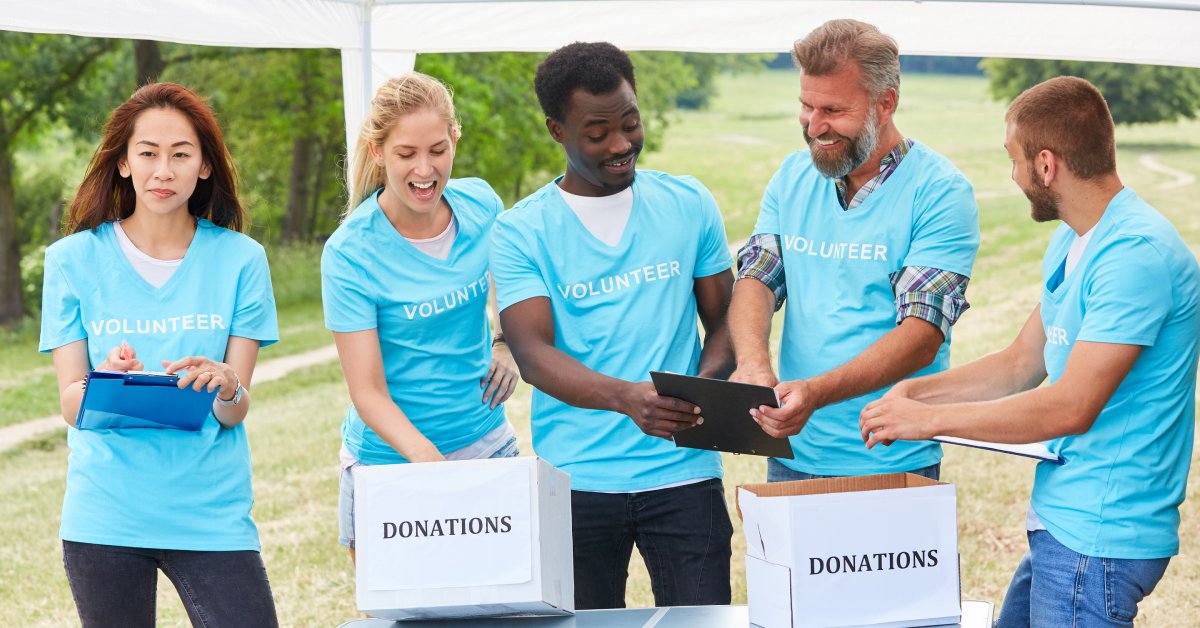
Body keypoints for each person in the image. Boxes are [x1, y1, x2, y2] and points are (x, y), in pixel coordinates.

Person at [860, 76, 1199, 627]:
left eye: (1013, 159)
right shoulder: (1075, 238)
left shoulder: (1135, 256)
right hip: (1066, 522)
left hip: (1101, 535)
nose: (1012, 175)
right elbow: (1022, 363)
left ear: (1046, 165)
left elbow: (1071, 406)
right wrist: (914, 391)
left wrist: (929, 420)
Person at [490, 42, 735, 610]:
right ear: (557, 130)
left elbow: (726, 323)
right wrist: (629, 400)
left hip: (685, 476)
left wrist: (692, 392)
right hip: (577, 483)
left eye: (630, 122)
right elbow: (532, 352)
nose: (621, 144)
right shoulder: (521, 230)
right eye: (597, 133)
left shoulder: (688, 202)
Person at [40, 82, 280, 627]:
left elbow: (235, 409)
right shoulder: (71, 261)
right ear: (123, 163)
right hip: (105, 516)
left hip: (212, 514)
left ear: (204, 167)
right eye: (147, 153)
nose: (163, 171)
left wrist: (224, 381)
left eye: (180, 155)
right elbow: (72, 404)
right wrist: (104, 382)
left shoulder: (242, 260)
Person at [728, 19, 980, 481]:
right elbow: (757, 277)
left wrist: (816, 393)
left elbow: (922, 336)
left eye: (833, 110)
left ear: (885, 104)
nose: (814, 126)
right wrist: (752, 363)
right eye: (806, 106)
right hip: (792, 457)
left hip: (892, 458)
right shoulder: (791, 176)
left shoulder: (941, 192)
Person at [322, 72, 520, 560]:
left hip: (487, 445)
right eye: (406, 154)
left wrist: (506, 343)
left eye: (437, 149)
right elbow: (367, 392)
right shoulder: (350, 253)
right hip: (390, 466)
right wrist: (432, 467)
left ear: (455, 139)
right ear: (377, 152)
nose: (424, 169)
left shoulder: (481, 203)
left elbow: (513, 285)